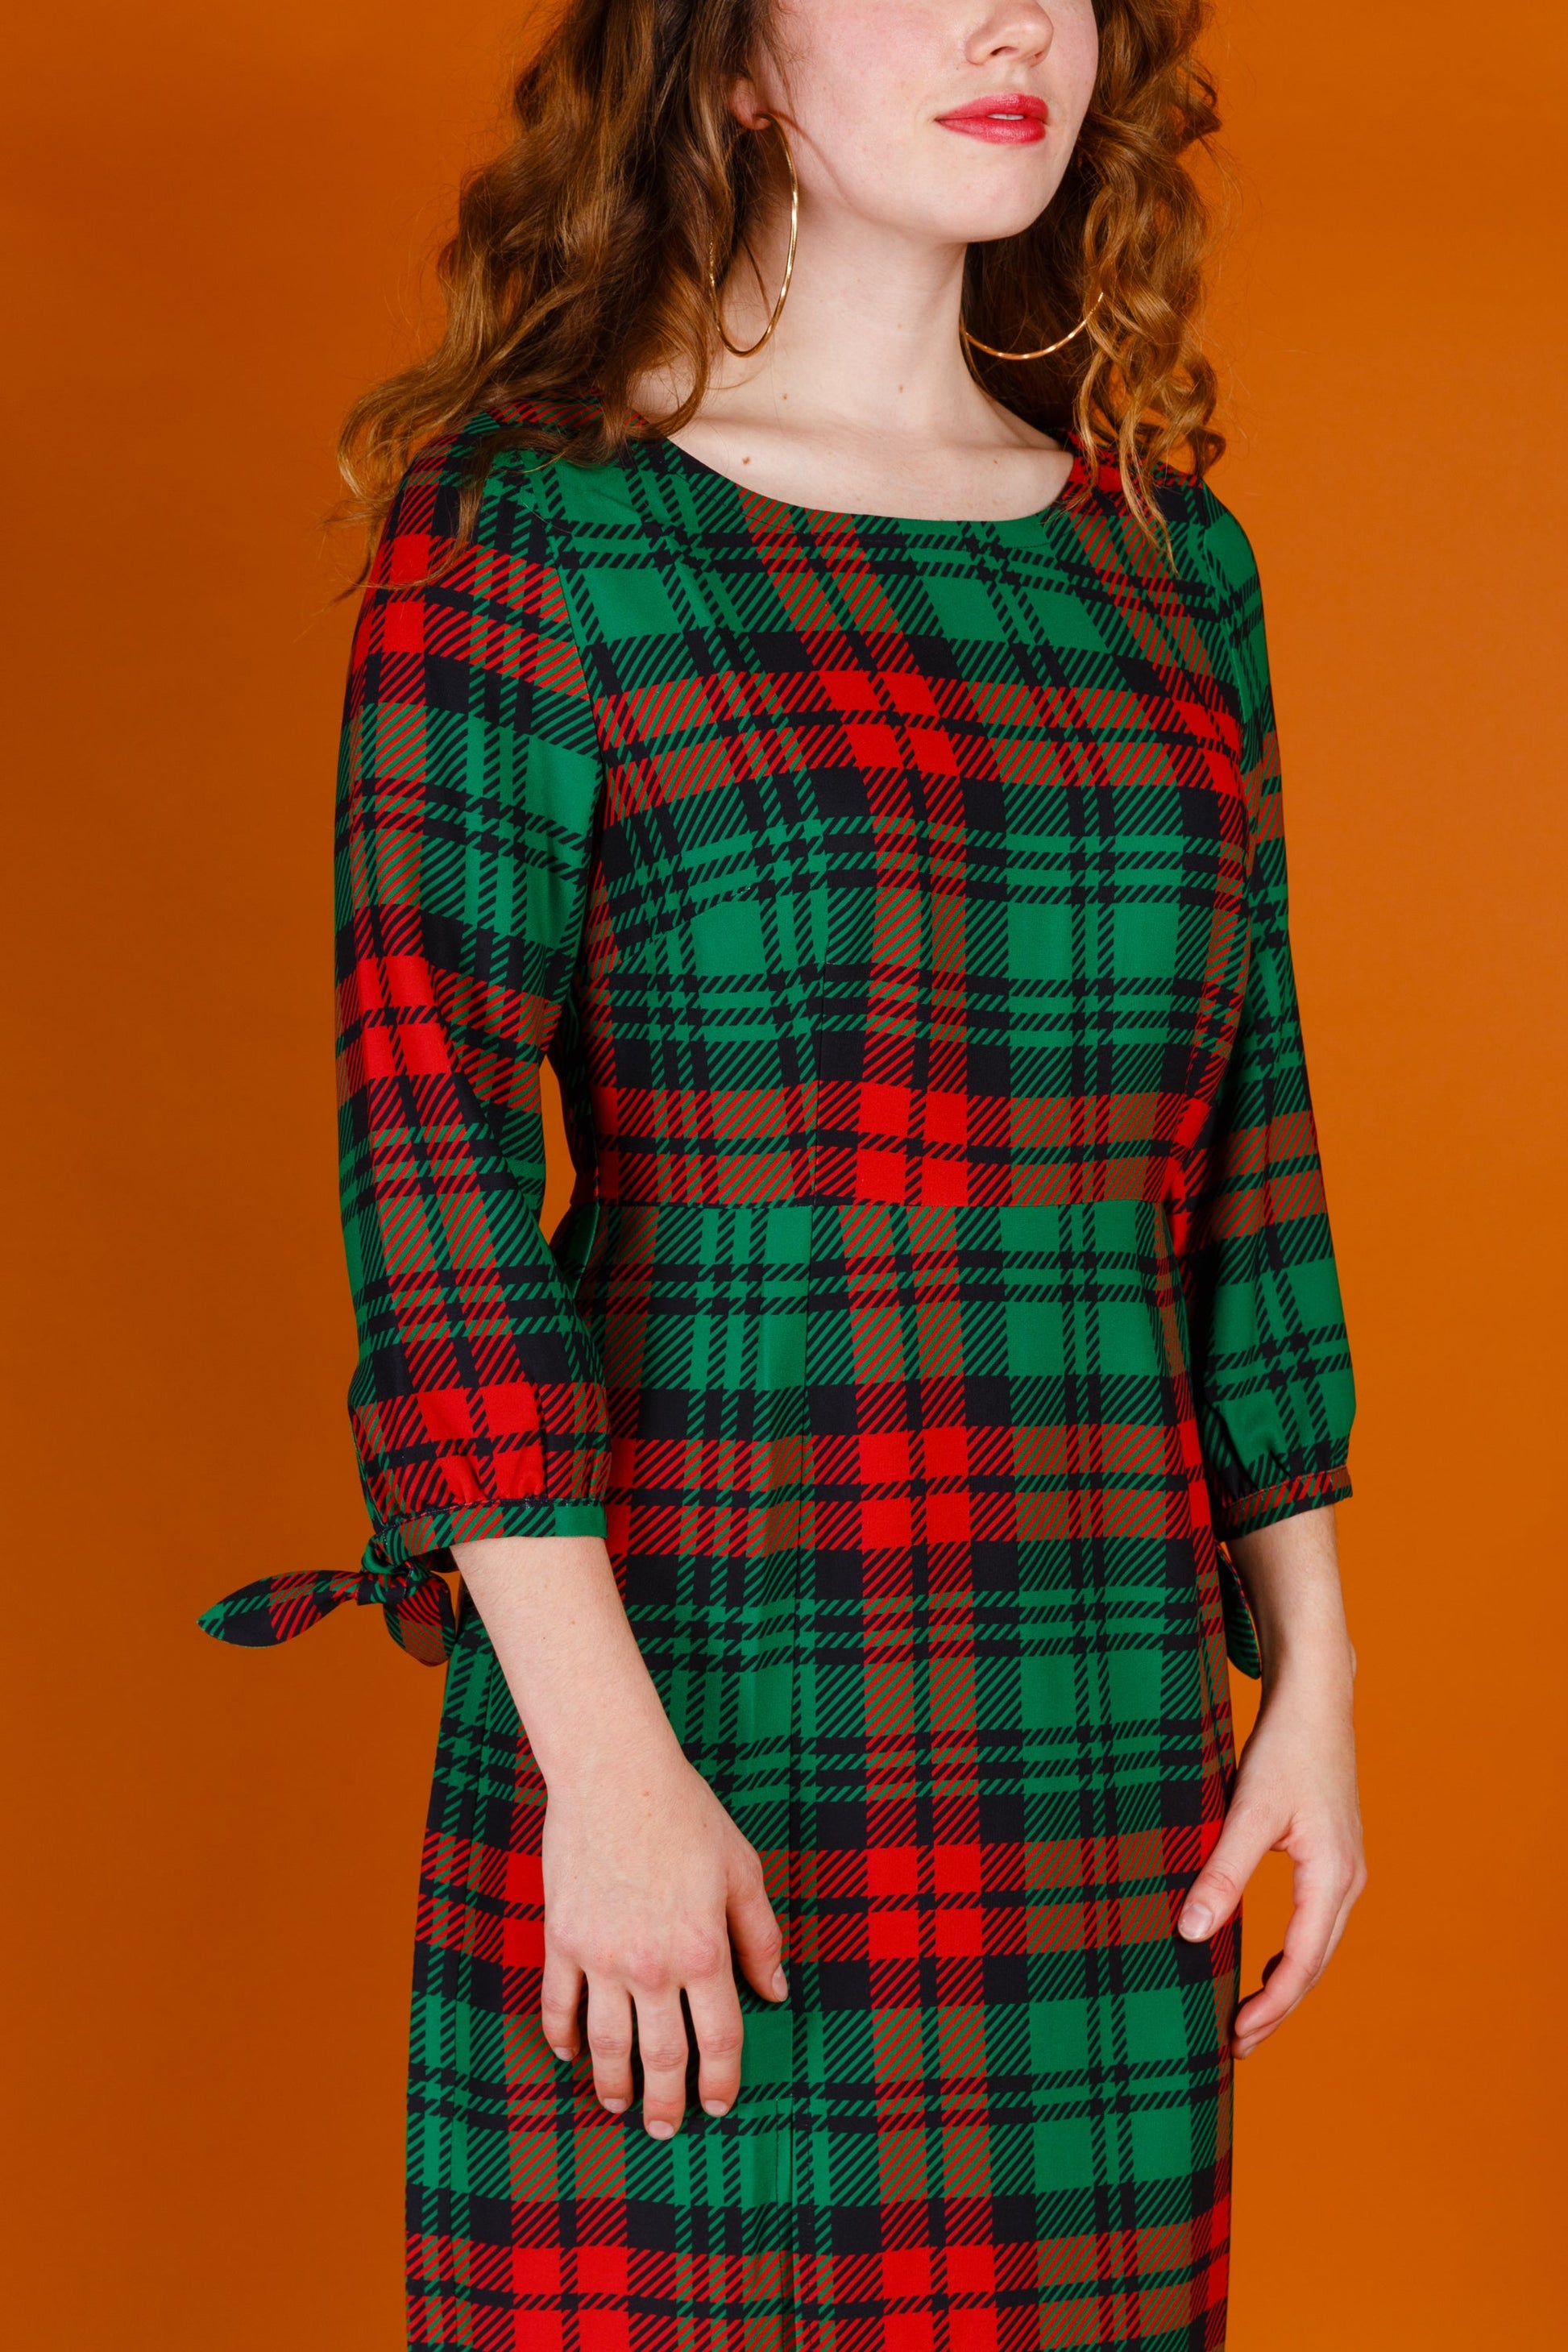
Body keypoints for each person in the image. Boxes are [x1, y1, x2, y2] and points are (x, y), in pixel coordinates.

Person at [203, 2, 1366, 2343]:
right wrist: (606, 1769)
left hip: (1097, 1704)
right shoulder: (535, 525)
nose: (1007, 21)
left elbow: (1251, 1135)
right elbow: (430, 1140)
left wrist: (1314, 1668)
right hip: (698, 1673)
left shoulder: (1174, 565)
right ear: (727, 59)